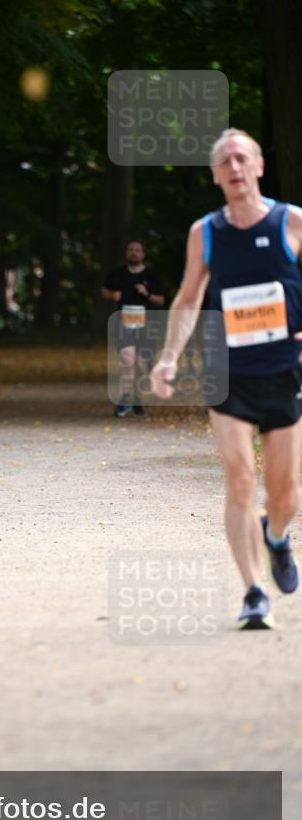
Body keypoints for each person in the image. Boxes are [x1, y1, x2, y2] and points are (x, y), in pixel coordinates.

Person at [150, 128, 302, 630]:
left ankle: (276, 535)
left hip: (284, 369)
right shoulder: (206, 232)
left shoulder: (291, 221)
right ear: (215, 175)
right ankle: (254, 591)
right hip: (228, 371)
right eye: (224, 161)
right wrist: (169, 357)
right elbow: (189, 296)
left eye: (242, 158)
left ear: (259, 165)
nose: (234, 167)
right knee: (239, 478)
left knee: (286, 493)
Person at [102, 240, 165, 417]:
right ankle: (124, 398)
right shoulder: (117, 274)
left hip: (145, 326)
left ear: (143, 254)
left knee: (141, 365)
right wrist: (112, 294)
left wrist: (147, 294)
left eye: (137, 251)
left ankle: (137, 399)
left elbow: (161, 300)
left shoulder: (151, 275)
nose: (134, 253)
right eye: (131, 250)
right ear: (126, 253)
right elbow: (104, 291)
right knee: (128, 358)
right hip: (123, 324)